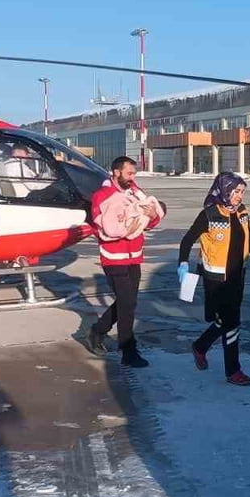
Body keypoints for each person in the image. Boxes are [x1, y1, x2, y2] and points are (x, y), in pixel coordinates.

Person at [177, 172, 250, 386]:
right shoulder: (210, 214)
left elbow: (249, 235)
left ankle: (200, 346)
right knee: (232, 323)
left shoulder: (242, 212)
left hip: (238, 275)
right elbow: (187, 240)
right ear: (225, 190)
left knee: (225, 320)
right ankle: (233, 371)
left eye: (242, 192)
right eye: (236, 191)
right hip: (217, 280)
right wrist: (182, 263)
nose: (240, 196)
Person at [82, 156, 166, 368]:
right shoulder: (102, 196)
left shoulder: (135, 192)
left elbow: (149, 222)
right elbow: (104, 229)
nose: (133, 177)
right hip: (114, 258)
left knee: (127, 302)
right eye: (129, 173)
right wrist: (124, 230)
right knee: (127, 303)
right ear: (116, 172)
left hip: (134, 256)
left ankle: (97, 331)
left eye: (134, 173)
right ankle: (128, 350)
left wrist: (153, 214)